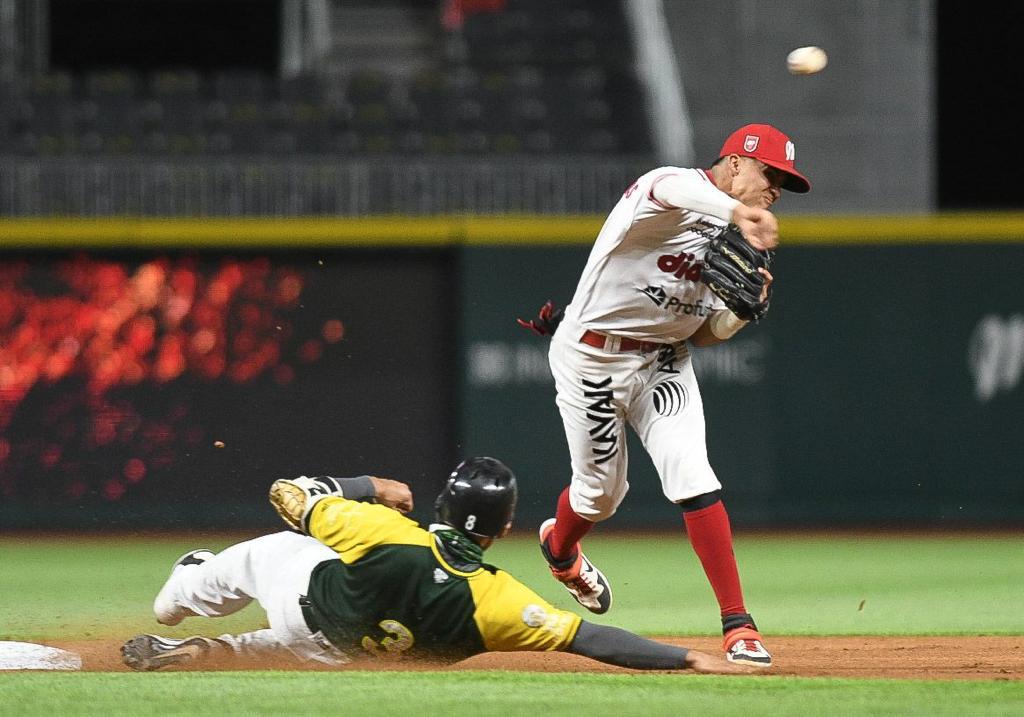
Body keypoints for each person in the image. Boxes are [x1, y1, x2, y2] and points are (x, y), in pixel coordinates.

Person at [522, 123, 811, 668]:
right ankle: (560, 550)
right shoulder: (671, 189)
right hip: (593, 357)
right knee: (600, 496)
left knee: (691, 473)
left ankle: (738, 625)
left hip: (664, 363)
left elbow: (700, 333)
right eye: (770, 174)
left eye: (784, 184)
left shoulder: (736, 240)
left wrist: (736, 318)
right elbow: (667, 189)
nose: (775, 189)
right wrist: (735, 213)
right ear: (734, 164)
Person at [121, 457, 754, 674]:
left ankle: (181, 592)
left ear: (445, 502)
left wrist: (369, 484)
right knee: (269, 648)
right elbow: (592, 639)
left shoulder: (382, 528)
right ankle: (211, 651)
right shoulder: (500, 600)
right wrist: (689, 656)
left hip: (302, 599)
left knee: (234, 568)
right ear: (503, 530)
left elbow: (288, 494)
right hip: (346, 653)